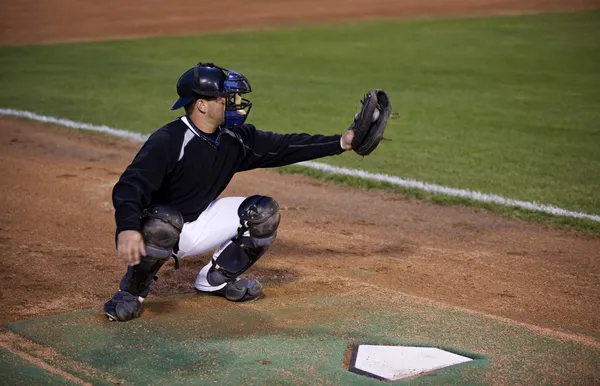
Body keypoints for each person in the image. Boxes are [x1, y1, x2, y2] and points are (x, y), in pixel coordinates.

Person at [103, 62, 360, 322]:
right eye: (226, 98)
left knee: (263, 213)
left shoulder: (234, 138)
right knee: (165, 222)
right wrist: (127, 226)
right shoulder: (170, 140)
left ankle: (216, 279)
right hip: (160, 229)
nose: (235, 103)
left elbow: (285, 146)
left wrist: (340, 142)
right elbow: (130, 186)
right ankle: (132, 292)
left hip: (199, 223)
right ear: (202, 104)